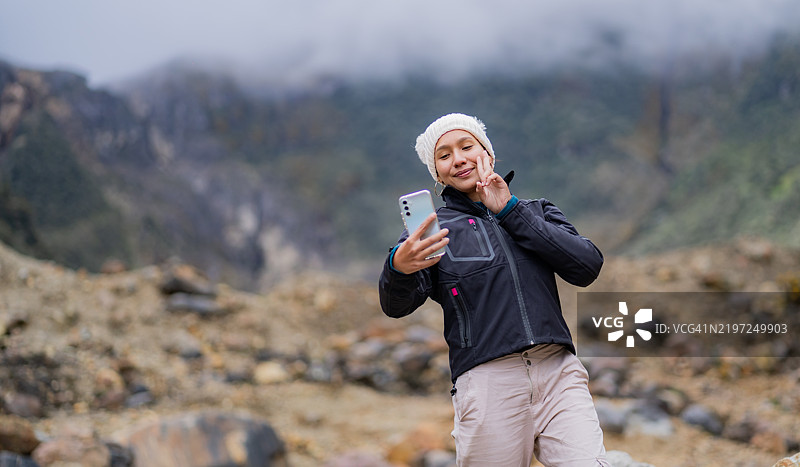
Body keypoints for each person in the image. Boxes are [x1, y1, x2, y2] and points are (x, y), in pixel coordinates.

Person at [378, 113, 610, 466]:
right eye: (444, 155)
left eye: (466, 146)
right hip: (487, 383)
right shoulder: (434, 231)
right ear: (437, 173)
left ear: (488, 153)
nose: (458, 159)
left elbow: (586, 266)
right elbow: (396, 305)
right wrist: (398, 268)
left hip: (559, 373)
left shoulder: (536, 211)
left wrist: (509, 210)